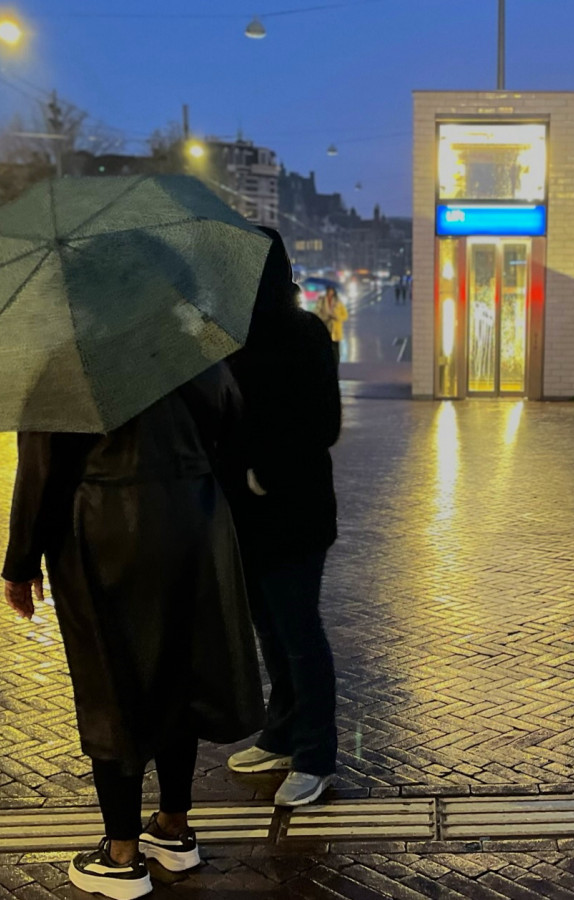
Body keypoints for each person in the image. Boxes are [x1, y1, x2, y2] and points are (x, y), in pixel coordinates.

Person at [4, 364, 263, 900]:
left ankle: (121, 854)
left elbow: (41, 467)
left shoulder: (65, 357)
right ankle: (173, 825)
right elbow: (236, 430)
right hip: (193, 520)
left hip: (105, 531)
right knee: (177, 669)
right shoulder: (187, 343)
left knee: (113, 681)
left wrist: (21, 560)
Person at [224, 228, 343, 808]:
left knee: (299, 632)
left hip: (294, 511)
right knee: (269, 629)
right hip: (246, 517)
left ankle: (317, 755)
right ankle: (282, 734)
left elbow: (323, 425)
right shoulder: (226, 338)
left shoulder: (303, 333)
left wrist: (264, 472)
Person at [317, 285, 349, 360]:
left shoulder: (338, 302)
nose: (330, 292)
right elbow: (317, 311)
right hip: (325, 326)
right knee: (326, 348)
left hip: (336, 329)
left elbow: (345, 316)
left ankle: (336, 364)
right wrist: (323, 318)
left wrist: (337, 317)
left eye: (331, 290)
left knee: (336, 349)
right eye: (329, 290)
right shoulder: (322, 300)